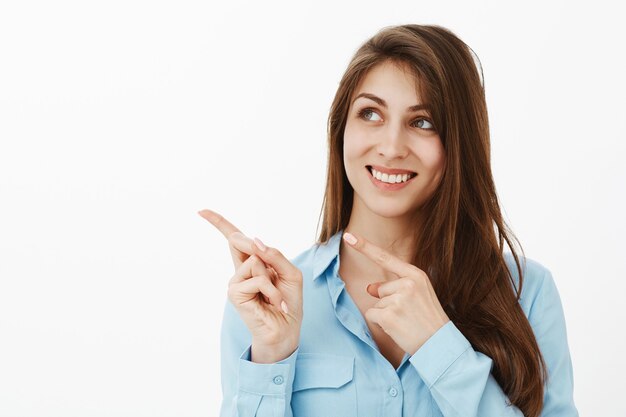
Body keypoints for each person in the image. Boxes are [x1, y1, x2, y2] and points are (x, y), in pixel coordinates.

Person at [199, 23, 578, 417]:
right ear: (341, 130)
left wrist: (439, 345)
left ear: (458, 143)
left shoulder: (527, 294)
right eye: (371, 114)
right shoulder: (266, 303)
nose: (392, 147)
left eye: (422, 122)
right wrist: (273, 357)